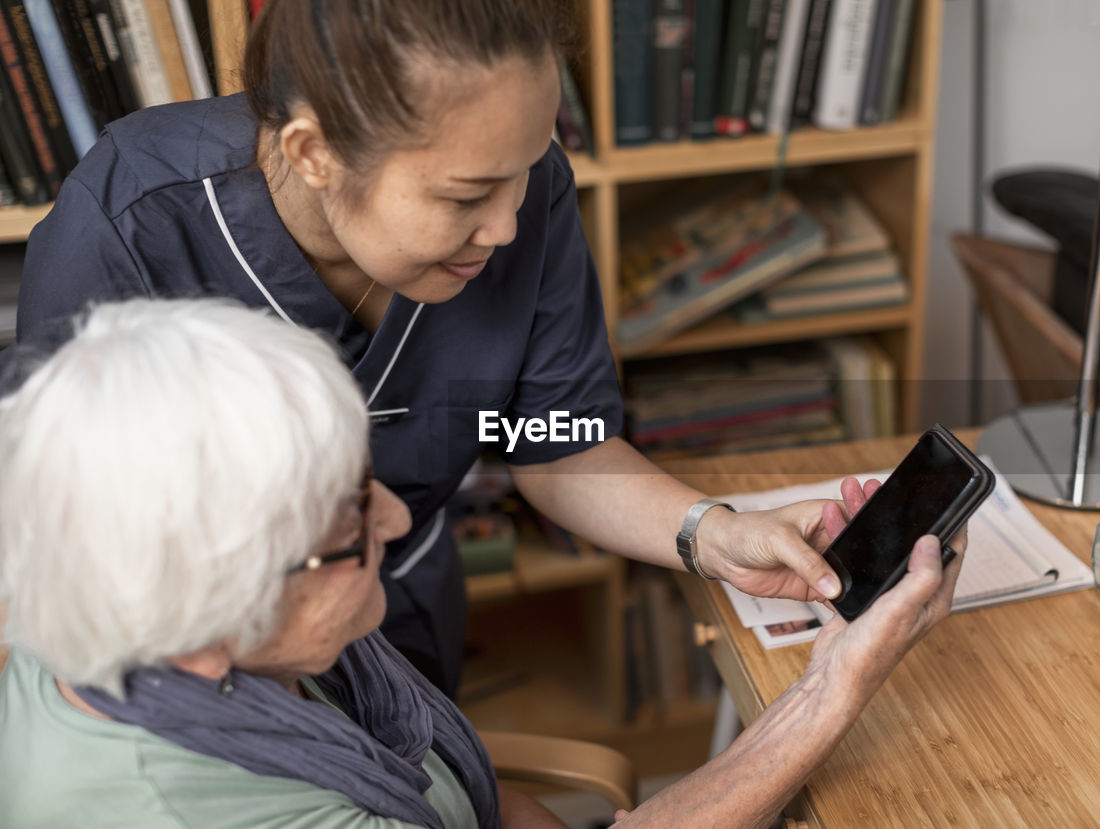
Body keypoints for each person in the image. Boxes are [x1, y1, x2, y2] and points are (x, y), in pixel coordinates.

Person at [17, 0, 867, 698]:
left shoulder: (523, 195)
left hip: (402, 612)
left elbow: (557, 440)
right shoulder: (131, 226)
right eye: (465, 196)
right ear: (314, 153)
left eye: (526, 171)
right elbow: (79, 546)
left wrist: (710, 533)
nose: (505, 227)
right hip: (197, 671)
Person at [0, 299, 966, 829]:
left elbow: (459, 788)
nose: (393, 518)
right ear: (207, 615)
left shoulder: (115, 606)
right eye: (346, 526)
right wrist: (834, 688)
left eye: (364, 480)